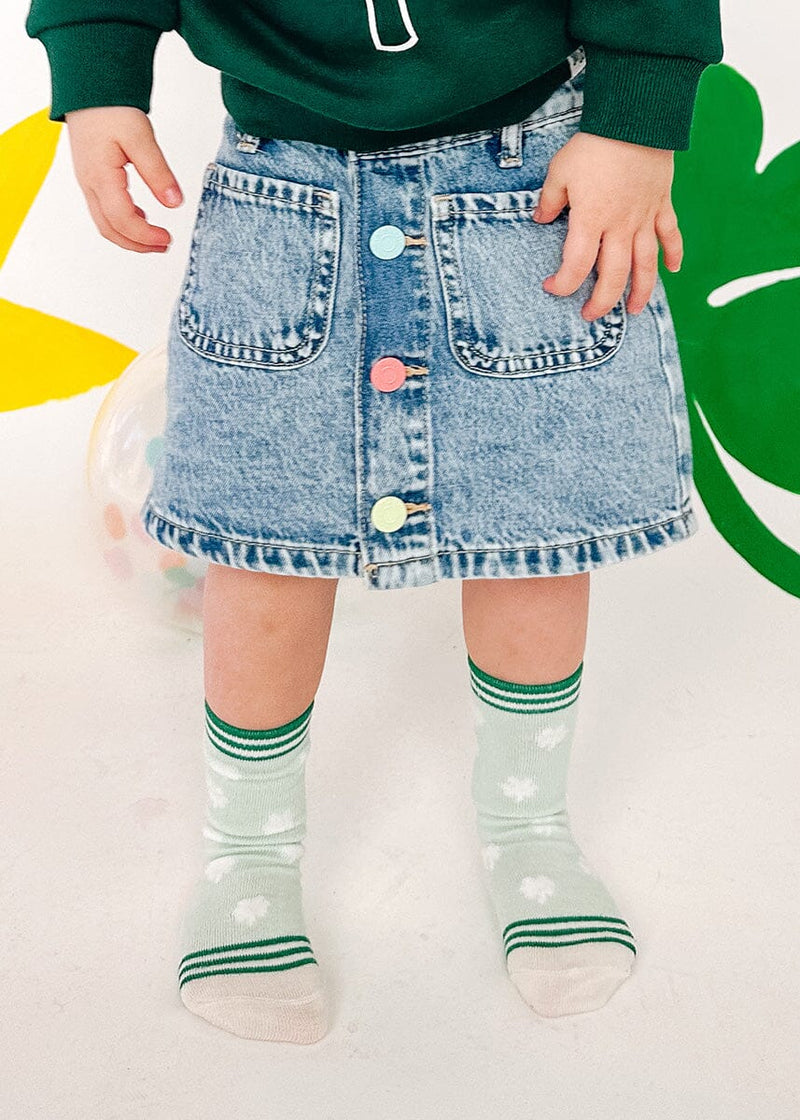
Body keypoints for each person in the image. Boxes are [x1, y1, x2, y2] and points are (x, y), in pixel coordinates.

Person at [25, 0, 724, 1044]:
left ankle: (527, 824)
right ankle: (248, 851)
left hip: (530, 186)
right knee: (264, 543)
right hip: (280, 191)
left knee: (533, 534)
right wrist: (98, 74)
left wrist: (636, 116)